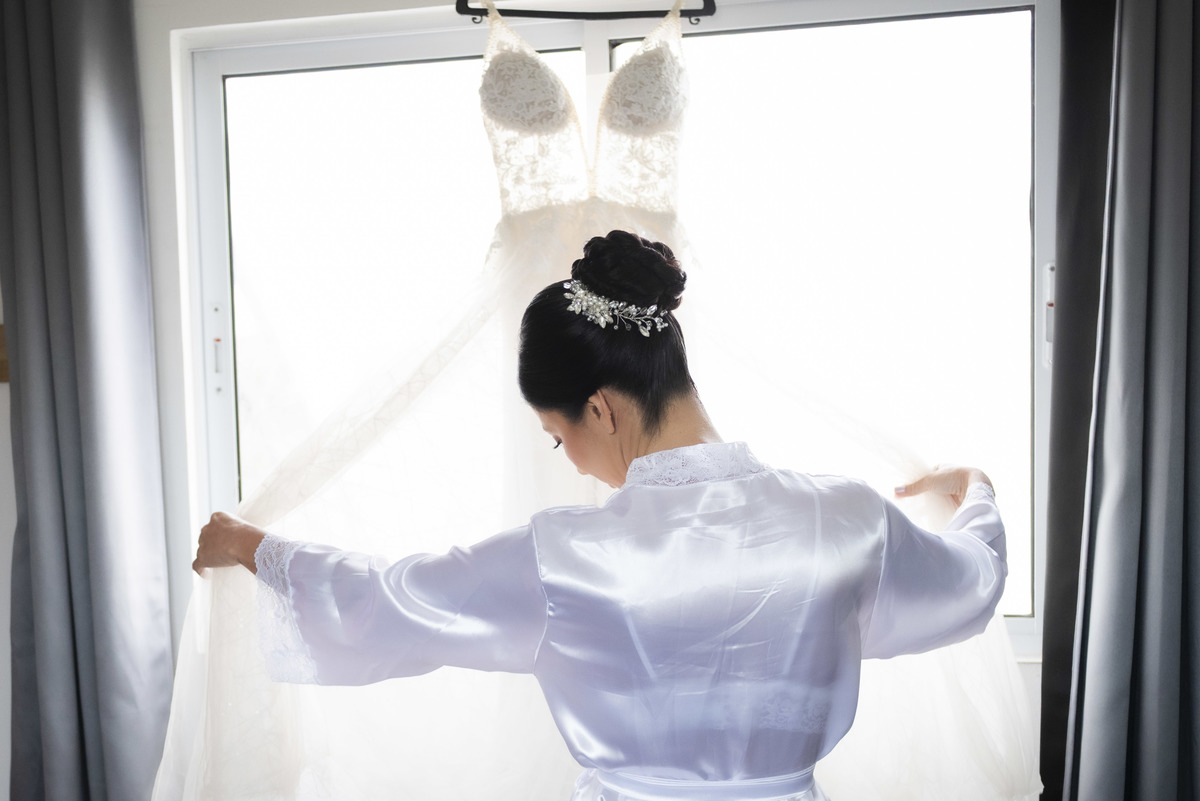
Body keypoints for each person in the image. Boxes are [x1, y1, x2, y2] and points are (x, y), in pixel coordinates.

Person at [193, 230, 1006, 801]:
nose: (572, 461)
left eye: (559, 438)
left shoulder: (567, 558)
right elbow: (973, 579)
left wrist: (250, 544)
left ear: (601, 409)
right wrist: (976, 487)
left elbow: (390, 598)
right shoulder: (848, 519)